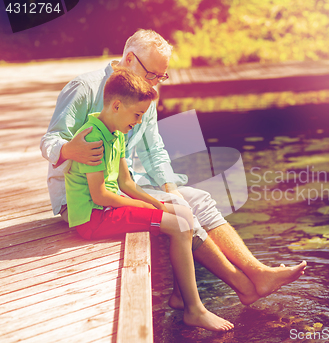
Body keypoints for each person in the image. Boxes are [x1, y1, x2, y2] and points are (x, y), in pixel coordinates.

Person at [40, 29, 306, 308]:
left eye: (161, 77)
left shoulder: (143, 95)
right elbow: (50, 140)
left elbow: (154, 150)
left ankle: (256, 273)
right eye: (152, 74)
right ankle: (238, 286)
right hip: (81, 196)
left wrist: (170, 189)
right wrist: (69, 149)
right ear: (130, 59)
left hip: (122, 183)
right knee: (180, 214)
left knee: (195, 199)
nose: (155, 83)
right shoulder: (85, 88)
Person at [65, 67, 233, 331]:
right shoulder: (94, 138)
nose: (140, 120)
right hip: (93, 218)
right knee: (178, 227)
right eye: (137, 114)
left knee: (184, 214)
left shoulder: (116, 133)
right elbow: (100, 194)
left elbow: (126, 183)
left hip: (108, 207)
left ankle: (181, 295)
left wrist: (157, 203)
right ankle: (195, 309)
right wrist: (145, 206)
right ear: (117, 106)